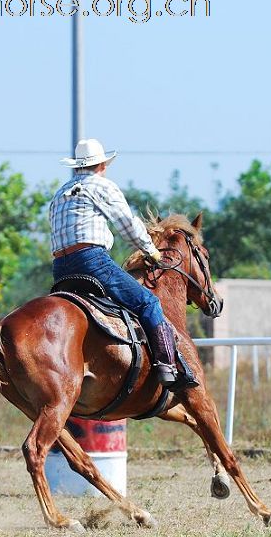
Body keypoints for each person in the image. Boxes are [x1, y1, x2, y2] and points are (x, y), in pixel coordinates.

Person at [49, 138, 198, 390]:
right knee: (148, 302)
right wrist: (151, 251)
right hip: (91, 261)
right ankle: (167, 366)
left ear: (77, 167)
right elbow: (127, 225)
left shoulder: (60, 194)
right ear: (102, 165)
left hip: (61, 268)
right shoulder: (102, 186)